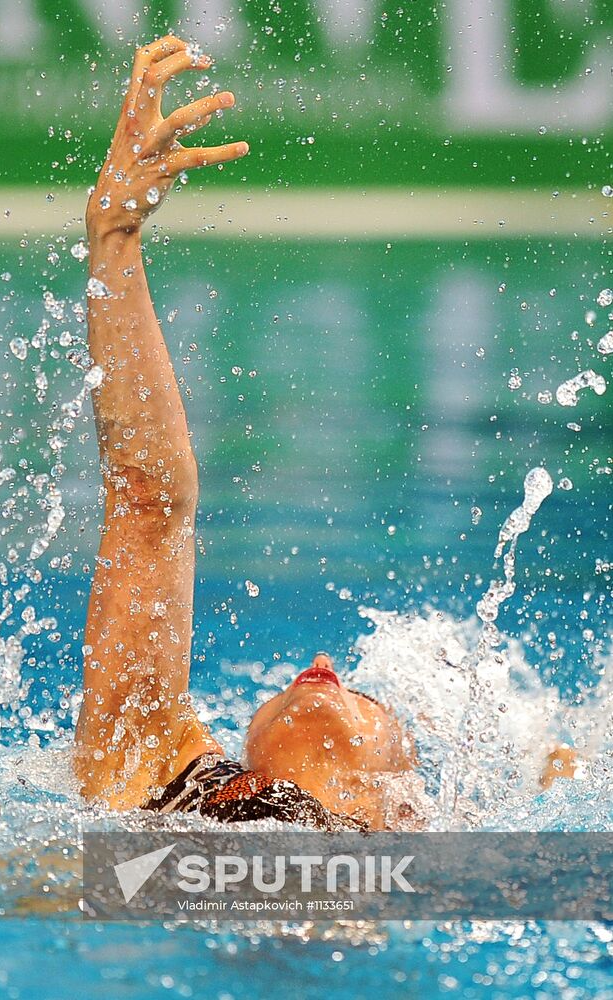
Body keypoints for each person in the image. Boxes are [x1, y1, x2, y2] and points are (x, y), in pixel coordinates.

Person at [73, 35, 578, 831]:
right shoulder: (159, 782)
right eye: (357, 685)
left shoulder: (433, 864)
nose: (321, 665)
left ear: (409, 805)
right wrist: (114, 242)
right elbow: (145, 499)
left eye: (363, 692)